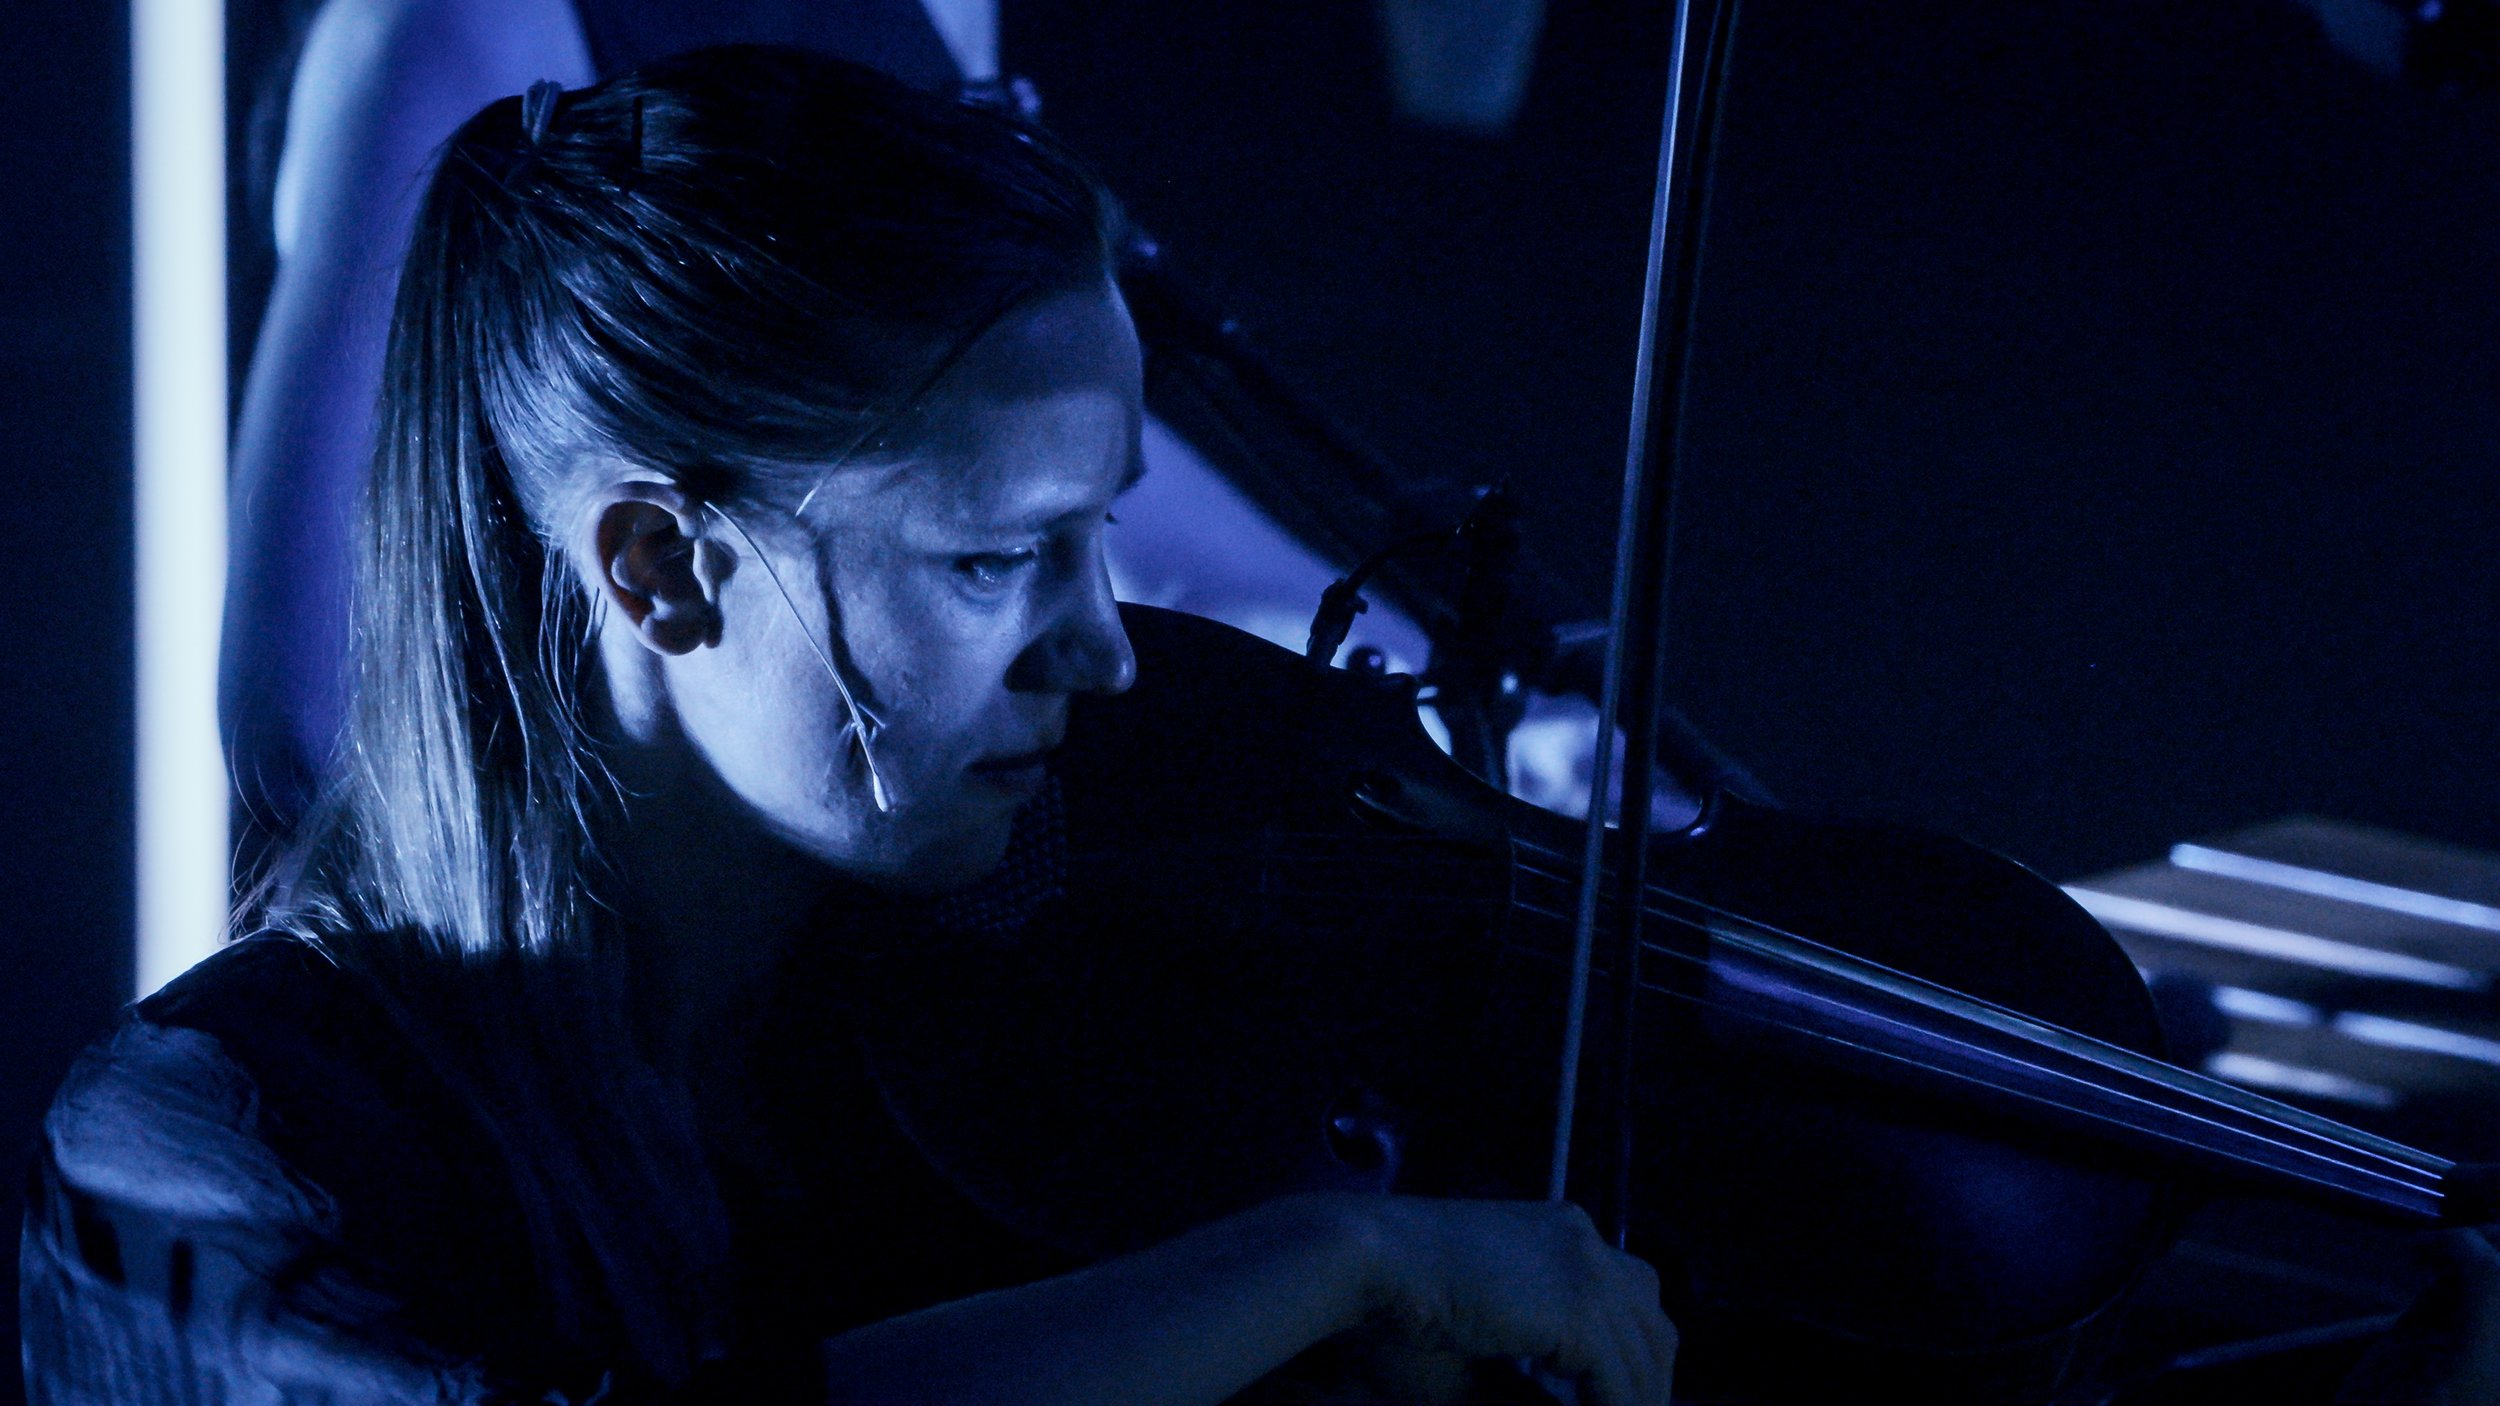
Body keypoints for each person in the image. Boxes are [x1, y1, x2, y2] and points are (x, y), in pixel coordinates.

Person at [25, 47, 1674, 1405]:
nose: (1107, 654)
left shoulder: (1025, 1047)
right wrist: (1334, 1259)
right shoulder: (210, 1145)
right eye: (993, 558)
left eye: (1097, 537)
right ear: (664, 569)